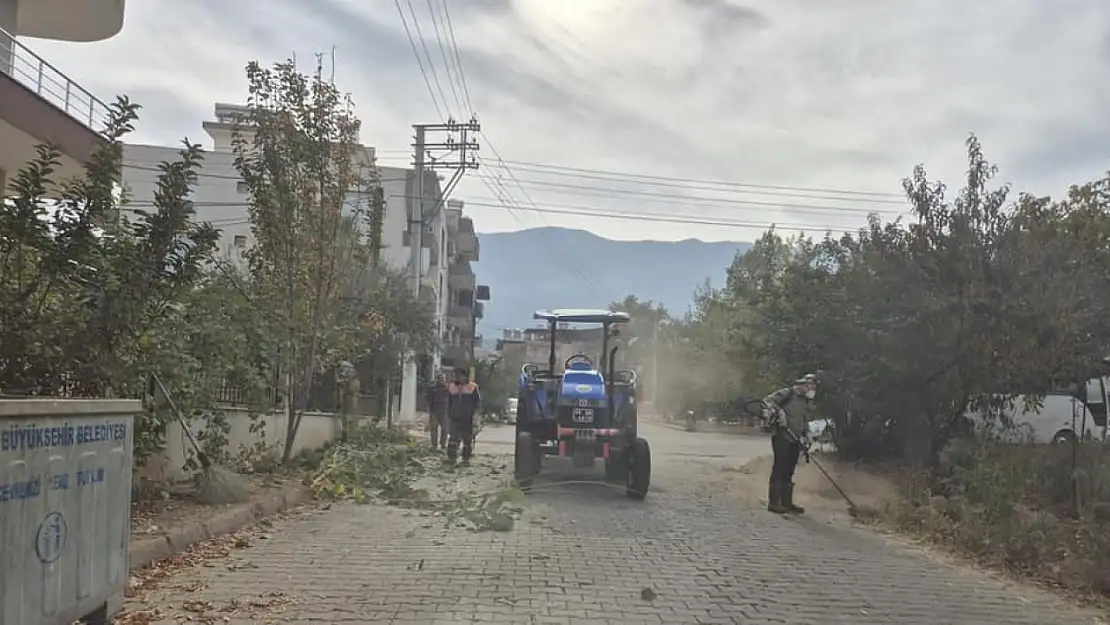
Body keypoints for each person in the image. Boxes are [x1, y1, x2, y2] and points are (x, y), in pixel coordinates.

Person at [762, 374, 818, 514]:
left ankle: (787, 503)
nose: (813, 389)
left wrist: (807, 434)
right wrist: (779, 412)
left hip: (795, 439)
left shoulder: (805, 401)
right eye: (811, 386)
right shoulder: (787, 393)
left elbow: (804, 420)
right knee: (779, 468)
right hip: (782, 437)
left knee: (789, 470)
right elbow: (767, 402)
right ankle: (774, 503)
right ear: (804, 384)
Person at [446, 366, 481, 465]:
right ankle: (451, 458)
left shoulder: (472, 387)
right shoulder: (452, 387)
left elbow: (477, 403)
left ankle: (466, 459)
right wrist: (449, 414)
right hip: (455, 417)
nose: (456, 377)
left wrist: (476, 416)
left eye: (458, 375)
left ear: (464, 376)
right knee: (453, 439)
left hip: (467, 418)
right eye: (455, 375)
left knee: (467, 440)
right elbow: (449, 402)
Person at [425, 372, 450, 450]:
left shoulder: (448, 388)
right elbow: (428, 400)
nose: (442, 380)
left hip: (445, 411)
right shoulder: (433, 388)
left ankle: (443, 444)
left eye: (443, 378)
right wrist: (429, 410)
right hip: (434, 411)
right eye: (440, 378)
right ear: (437, 379)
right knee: (433, 429)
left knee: (445, 429)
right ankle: (434, 445)